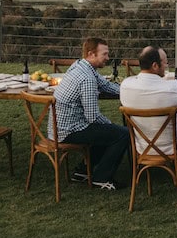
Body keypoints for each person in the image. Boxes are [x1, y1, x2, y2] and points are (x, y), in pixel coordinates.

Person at [52, 37, 128, 190]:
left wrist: (129, 91)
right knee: (122, 134)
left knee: (110, 132)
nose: (108, 58)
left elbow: (105, 84)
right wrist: (112, 126)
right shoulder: (86, 79)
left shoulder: (80, 65)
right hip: (69, 131)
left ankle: (82, 172)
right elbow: (93, 117)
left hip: (61, 127)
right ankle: (101, 178)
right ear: (91, 54)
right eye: (104, 54)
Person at [120, 46, 177, 161]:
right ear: (155, 65)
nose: (166, 66)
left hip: (142, 147)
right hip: (173, 148)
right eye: (165, 62)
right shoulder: (174, 87)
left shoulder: (125, 85)